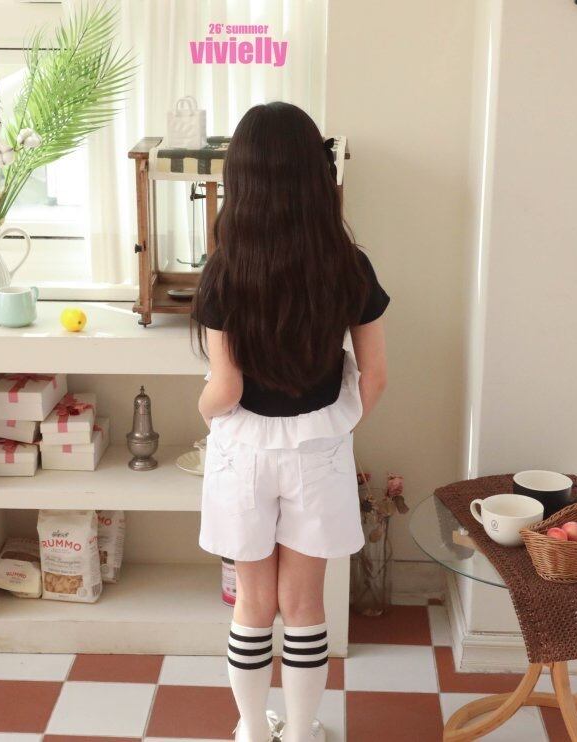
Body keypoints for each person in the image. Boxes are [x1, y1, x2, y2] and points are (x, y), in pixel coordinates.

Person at [192, 101, 389, 742]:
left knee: (253, 605)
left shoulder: (224, 271)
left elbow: (225, 390)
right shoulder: (349, 265)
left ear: (241, 179)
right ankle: (302, 732)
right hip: (317, 448)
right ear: (316, 174)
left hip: (243, 452)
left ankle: (253, 730)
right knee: (305, 606)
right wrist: (335, 425)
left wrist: (203, 412)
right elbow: (375, 376)